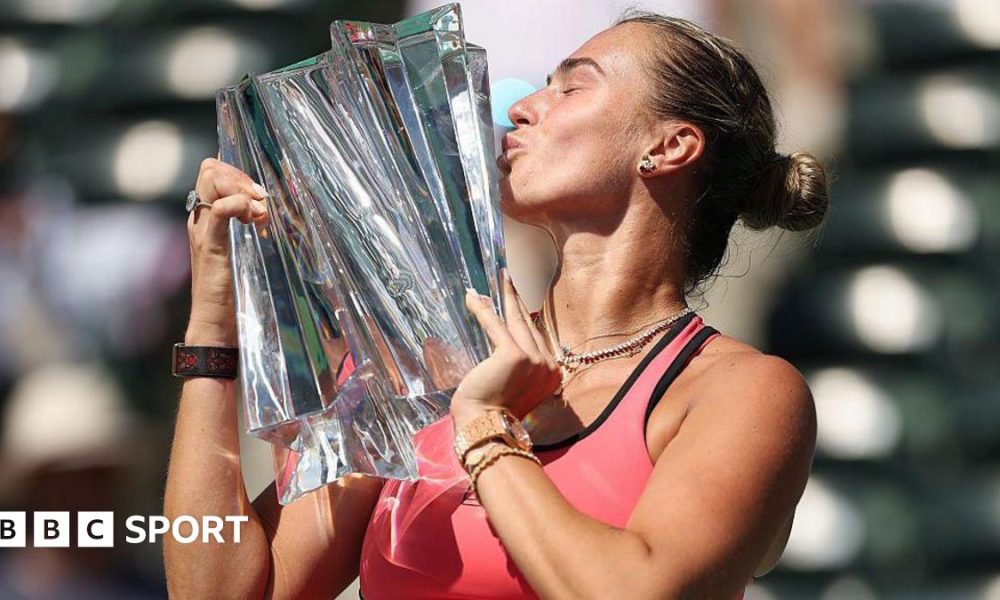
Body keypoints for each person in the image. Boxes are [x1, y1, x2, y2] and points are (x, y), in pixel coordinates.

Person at [163, 11, 826, 599]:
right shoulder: (414, 368)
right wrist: (215, 322)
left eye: (571, 86)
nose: (522, 108)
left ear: (668, 146)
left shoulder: (743, 394)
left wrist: (483, 427)